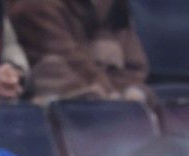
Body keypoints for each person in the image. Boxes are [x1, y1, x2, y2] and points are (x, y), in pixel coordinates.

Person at [8, 0, 151, 104]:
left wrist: (132, 97)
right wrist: (119, 102)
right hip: (65, 119)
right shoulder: (35, 7)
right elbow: (71, 72)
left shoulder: (114, 7)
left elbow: (135, 70)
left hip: (114, 117)